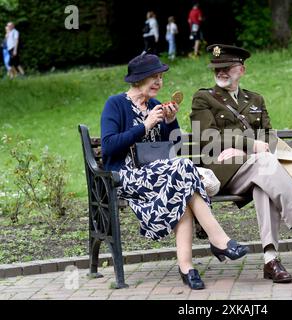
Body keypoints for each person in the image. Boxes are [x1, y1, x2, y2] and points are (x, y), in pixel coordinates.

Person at [190, 44, 292, 283]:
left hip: (258, 169)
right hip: (224, 173)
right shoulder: (203, 98)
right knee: (265, 163)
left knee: (264, 182)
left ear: (242, 70)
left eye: (227, 67)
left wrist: (241, 147)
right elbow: (207, 136)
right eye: (217, 68)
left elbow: (269, 136)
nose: (221, 72)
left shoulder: (255, 98)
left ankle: (271, 260)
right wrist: (250, 145)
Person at [100, 53, 249, 290]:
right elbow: (108, 147)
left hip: (162, 176)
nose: (159, 82)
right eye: (154, 77)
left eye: (161, 77)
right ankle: (219, 239)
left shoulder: (154, 106)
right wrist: (145, 125)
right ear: (138, 79)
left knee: (183, 184)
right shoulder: (115, 104)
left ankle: (187, 267)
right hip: (127, 178)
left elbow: (174, 147)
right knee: (184, 169)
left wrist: (170, 122)